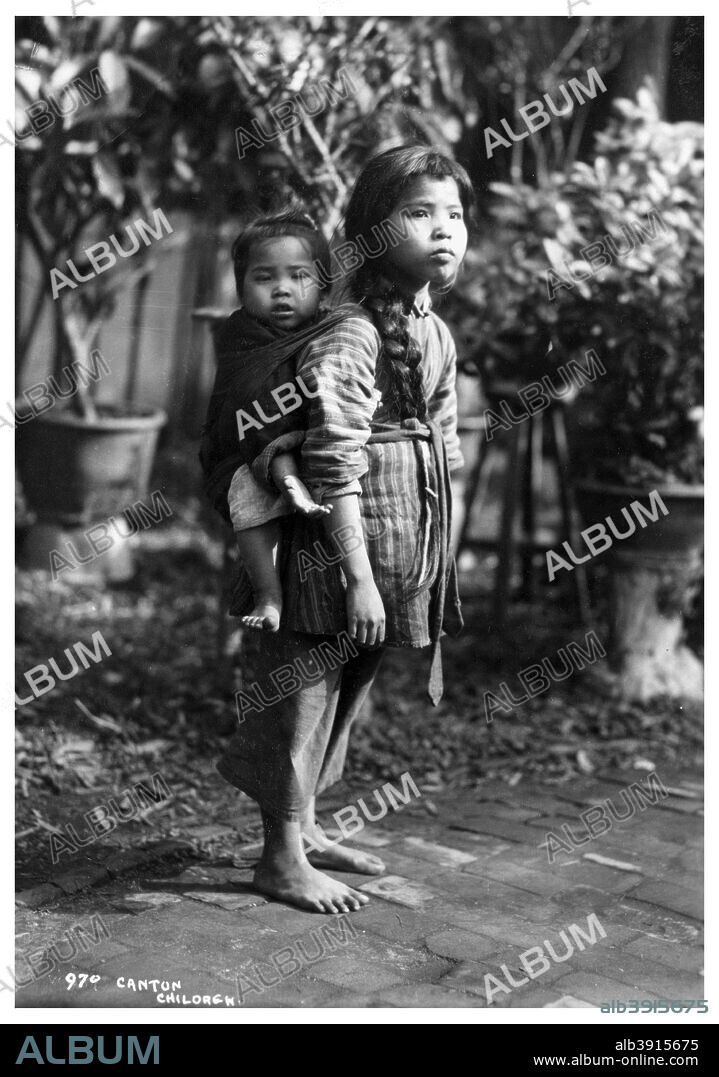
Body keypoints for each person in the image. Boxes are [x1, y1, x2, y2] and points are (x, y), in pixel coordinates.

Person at [217, 145, 473, 914]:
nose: (443, 230)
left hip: (401, 548)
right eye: (418, 213)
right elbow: (333, 461)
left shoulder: (435, 333)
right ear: (371, 228)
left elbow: (447, 450)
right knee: (300, 689)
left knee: (349, 687)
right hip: (326, 549)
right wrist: (356, 573)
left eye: (454, 215)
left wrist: (433, 562)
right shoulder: (349, 331)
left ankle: (310, 825)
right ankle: (278, 855)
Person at [200, 209, 352, 632]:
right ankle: (268, 595)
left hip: (314, 444)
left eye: (299, 276)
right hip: (246, 452)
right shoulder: (242, 336)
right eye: (264, 278)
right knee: (247, 492)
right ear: (241, 287)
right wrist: (283, 472)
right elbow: (246, 413)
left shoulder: (333, 332)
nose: (282, 290)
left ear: (323, 285)